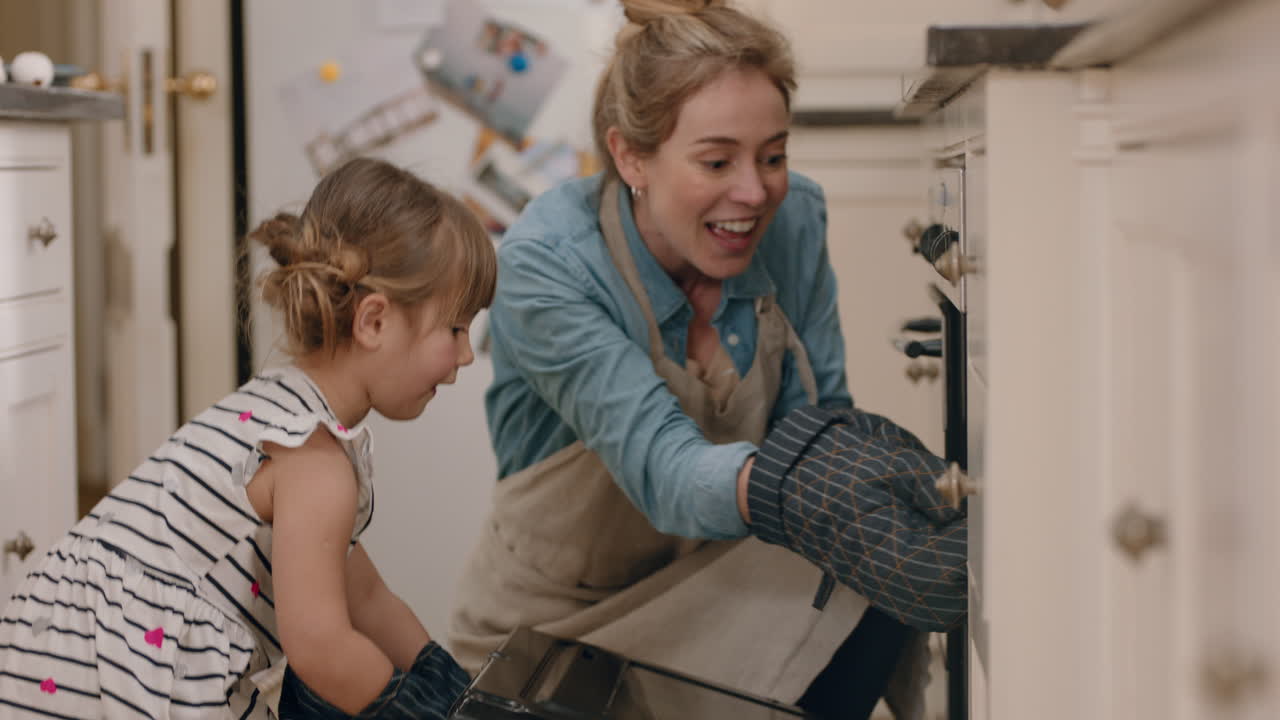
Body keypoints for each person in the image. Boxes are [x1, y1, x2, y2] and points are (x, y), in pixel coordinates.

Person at [449, 1, 966, 718]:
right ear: (630, 156)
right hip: (556, 629)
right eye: (717, 160)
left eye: (774, 155)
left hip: (719, 593)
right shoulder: (548, 267)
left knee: (873, 586)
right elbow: (663, 466)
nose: (755, 192)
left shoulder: (794, 219)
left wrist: (863, 480)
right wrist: (799, 489)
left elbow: (819, 423)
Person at [0, 158, 495, 719]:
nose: (465, 354)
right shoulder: (314, 462)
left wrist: (448, 682)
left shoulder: (285, 410)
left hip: (60, 644)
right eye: (455, 328)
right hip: (97, 675)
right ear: (374, 321)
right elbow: (322, 648)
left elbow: (366, 599)